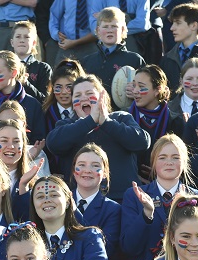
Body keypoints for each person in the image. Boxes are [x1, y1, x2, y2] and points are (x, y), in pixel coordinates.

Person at [120, 134, 198, 260]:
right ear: (153, 163)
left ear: (184, 163)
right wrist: (147, 213)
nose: (169, 162)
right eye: (162, 157)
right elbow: (128, 246)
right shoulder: (134, 195)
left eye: (176, 157)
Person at [46, 74, 150, 203]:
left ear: (102, 97)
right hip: (82, 204)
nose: (84, 98)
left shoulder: (121, 117)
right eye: (77, 96)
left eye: (89, 93)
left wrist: (106, 122)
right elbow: (54, 144)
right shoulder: (66, 125)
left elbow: (142, 142)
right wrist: (90, 121)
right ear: (72, 103)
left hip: (122, 199)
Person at [128, 65, 185, 178]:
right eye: (134, 85)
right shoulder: (124, 117)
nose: (135, 91)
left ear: (157, 90)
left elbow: (182, 160)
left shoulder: (175, 122)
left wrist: (159, 173)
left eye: (141, 86)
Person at [80, 7, 144, 97]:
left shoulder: (135, 60)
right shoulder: (87, 62)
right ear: (98, 30)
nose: (109, 30)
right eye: (105, 26)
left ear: (122, 29)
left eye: (114, 26)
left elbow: (145, 91)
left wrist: (137, 91)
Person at [159, 3, 198, 91]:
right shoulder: (167, 59)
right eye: (173, 23)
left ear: (194, 25)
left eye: (178, 23)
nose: (172, 28)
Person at [49, 0, 97, 64]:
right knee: (62, 72)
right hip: (66, 46)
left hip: (89, 46)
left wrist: (75, 42)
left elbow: (99, 28)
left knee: (92, 72)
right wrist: (56, 33)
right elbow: (54, 15)